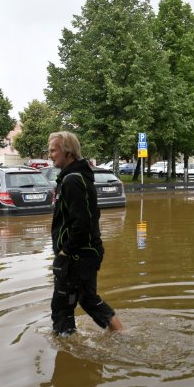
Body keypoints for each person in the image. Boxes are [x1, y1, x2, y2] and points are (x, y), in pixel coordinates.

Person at [48, 131, 124, 335]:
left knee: (62, 306)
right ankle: (121, 334)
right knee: (87, 299)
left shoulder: (73, 180)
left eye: (53, 150)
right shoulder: (75, 177)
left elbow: (82, 222)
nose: (50, 155)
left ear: (67, 152)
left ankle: (66, 354)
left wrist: (65, 251)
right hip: (85, 253)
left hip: (77, 255)